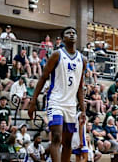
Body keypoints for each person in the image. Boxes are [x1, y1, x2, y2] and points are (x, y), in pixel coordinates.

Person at [29, 26, 86, 162]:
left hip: (71, 105)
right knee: (56, 137)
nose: (71, 35)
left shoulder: (82, 59)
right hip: (56, 101)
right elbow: (43, 77)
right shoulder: (57, 54)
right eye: (68, 33)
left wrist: (83, 109)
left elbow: (80, 86)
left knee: (68, 143)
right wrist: (33, 101)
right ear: (62, 39)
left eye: (74, 33)